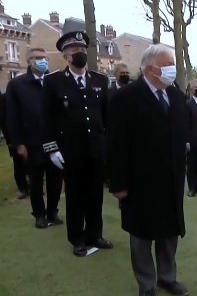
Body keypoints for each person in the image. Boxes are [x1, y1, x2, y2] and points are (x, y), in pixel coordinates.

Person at [108, 44, 189, 296]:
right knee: (141, 236)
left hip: (171, 180)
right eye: (166, 64)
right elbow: (117, 144)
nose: (171, 69)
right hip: (139, 182)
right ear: (149, 68)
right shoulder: (126, 97)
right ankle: (146, 286)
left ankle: (168, 277)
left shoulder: (176, 96)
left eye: (172, 64)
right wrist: (119, 184)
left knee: (169, 232)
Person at [42, 31, 113, 256]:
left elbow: (106, 117)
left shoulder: (100, 80)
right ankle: (77, 238)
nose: (80, 54)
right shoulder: (53, 82)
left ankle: (95, 234)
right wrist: (51, 148)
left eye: (82, 50)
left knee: (96, 195)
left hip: (96, 149)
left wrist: (107, 145)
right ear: (65, 56)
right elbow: (46, 118)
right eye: (74, 52)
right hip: (70, 151)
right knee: (75, 196)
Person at [6, 47, 63, 229]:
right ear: (29, 61)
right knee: (36, 182)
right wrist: (19, 144)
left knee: (55, 180)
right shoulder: (17, 85)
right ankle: (39, 214)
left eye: (44, 57)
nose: (43, 61)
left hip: (54, 142)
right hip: (32, 142)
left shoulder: (54, 82)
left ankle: (52, 211)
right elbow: (12, 117)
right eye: (38, 58)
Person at [0, 91, 29, 199]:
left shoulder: (25, 95)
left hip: (28, 134)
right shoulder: (5, 98)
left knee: (31, 162)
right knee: (18, 163)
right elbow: (3, 119)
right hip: (14, 137)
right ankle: (23, 189)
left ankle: (33, 186)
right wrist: (10, 140)